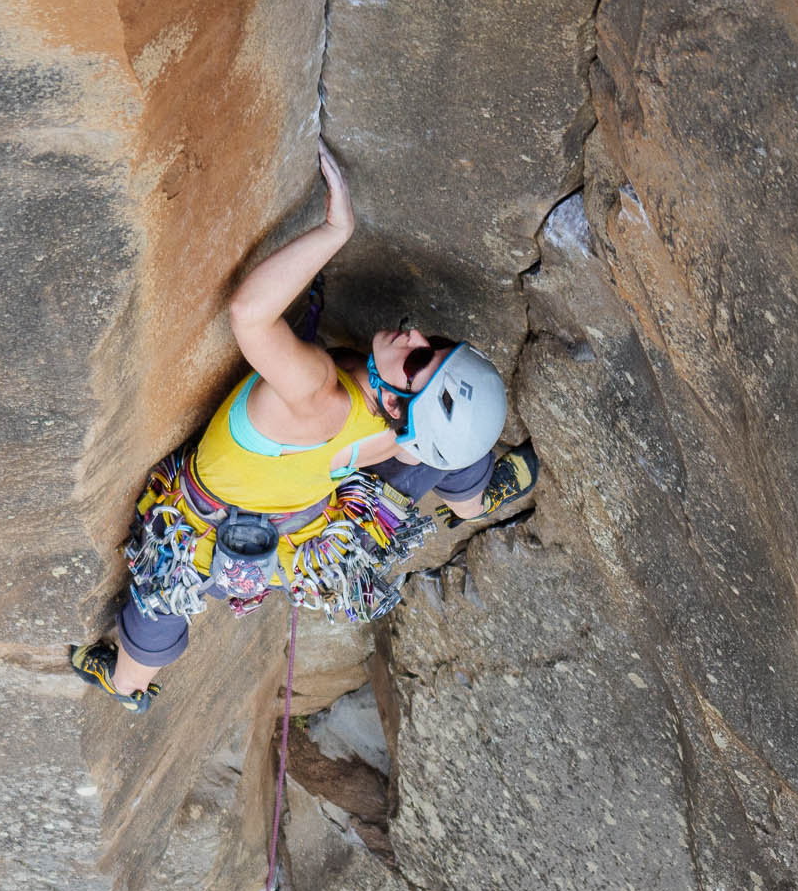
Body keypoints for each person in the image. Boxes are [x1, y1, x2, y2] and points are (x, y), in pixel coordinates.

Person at [70, 142, 538, 712]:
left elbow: (249, 315)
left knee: (154, 605)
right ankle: (471, 500)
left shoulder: (320, 395)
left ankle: (125, 687)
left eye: (418, 362)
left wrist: (334, 231)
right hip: (307, 538)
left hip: (198, 543)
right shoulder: (401, 434)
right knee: (455, 441)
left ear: (398, 407)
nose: (416, 338)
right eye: (433, 344)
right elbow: (433, 434)